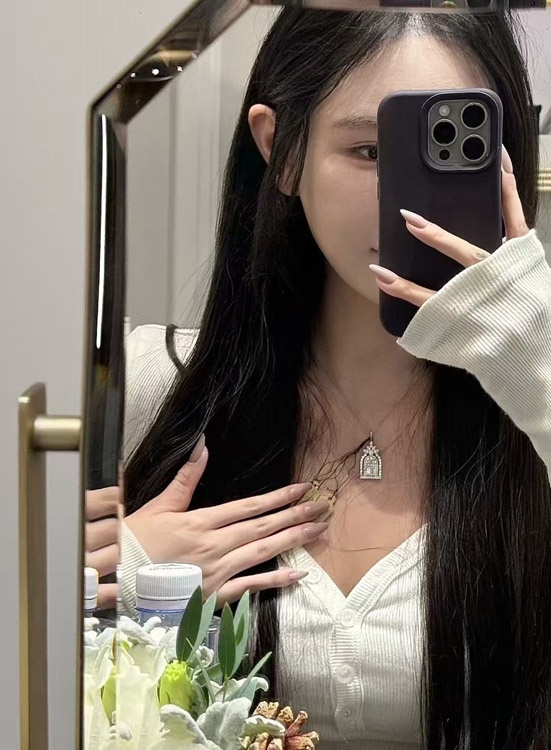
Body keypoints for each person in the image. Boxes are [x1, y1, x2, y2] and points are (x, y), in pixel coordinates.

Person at [87, 8, 551, 748]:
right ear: (283, 151)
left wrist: (539, 361)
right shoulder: (150, 388)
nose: (407, 205)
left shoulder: (533, 410)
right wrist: (124, 586)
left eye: (450, 157)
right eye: (370, 151)